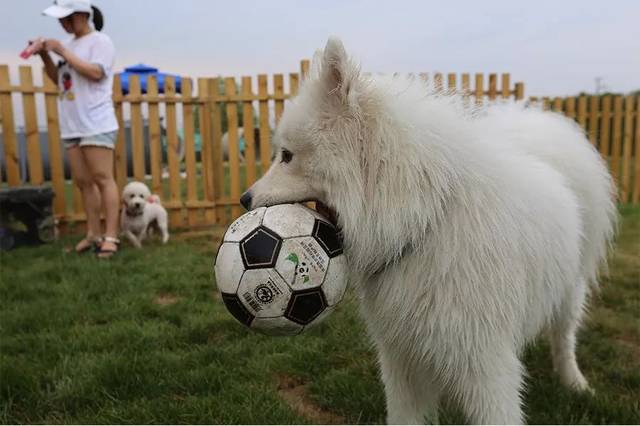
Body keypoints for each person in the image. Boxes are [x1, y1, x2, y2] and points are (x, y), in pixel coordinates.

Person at [30, 0, 119, 258]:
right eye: (59, 19)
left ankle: (111, 236)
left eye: (66, 17)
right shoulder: (69, 45)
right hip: (73, 124)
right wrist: (46, 54)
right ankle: (93, 234)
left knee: (103, 179)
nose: (62, 23)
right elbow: (60, 81)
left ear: (82, 14)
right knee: (82, 182)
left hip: (96, 121)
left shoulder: (100, 41)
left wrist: (60, 49)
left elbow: (96, 73)